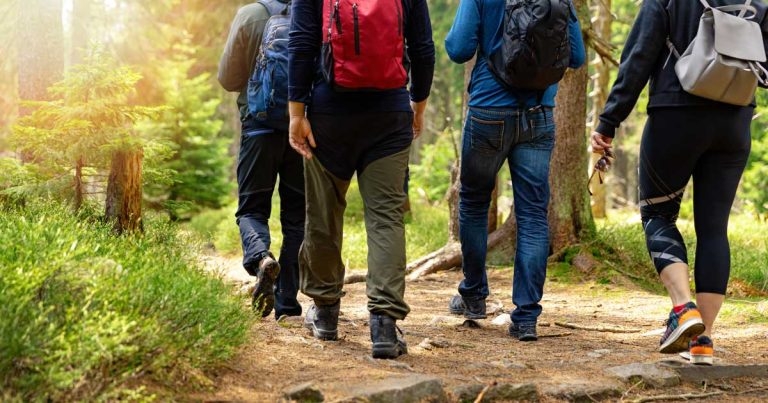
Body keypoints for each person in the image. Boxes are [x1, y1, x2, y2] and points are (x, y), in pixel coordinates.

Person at [591, 0, 768, 365]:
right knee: (714, 229)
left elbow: (638, 57)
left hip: (676, 113)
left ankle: (683, 309)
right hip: (735, 121)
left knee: (657, 214)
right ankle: (703, 342)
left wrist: (609, 122)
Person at [288, 0, 435, 359]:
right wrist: (418, 107)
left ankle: (324, 313)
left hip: (328, 117)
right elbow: (423, 46)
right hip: (388, 114)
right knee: (385, 219)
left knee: (323, 215)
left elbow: (302, 43)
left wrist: (296, 113)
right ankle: (384, 325)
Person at [444, 0, 585, 341]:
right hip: (538, 114)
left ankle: (474, 296)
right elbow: (577, 57)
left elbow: (459, 48)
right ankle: (526, 317)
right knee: (533, 215)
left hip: (488, 111)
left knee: (474, 202)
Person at [218, 0, 304, 320]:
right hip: (302, 129)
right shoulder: (314, 12)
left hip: (258, 127)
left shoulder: (250, 14)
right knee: (297, 217)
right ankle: (288, 306)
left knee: (252, 208)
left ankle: (261, 258)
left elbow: (228, 79)